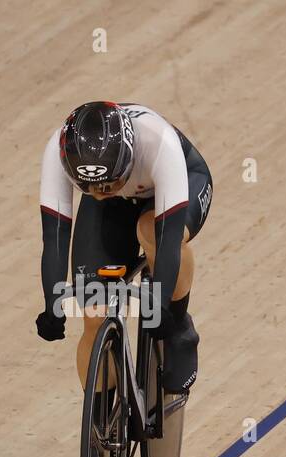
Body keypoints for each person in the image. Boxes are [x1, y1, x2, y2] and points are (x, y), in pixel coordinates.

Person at [36, 101, 212, 394]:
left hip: (178, 184)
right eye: (88, 188)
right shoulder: (58, 151)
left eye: (108, 184)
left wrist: (164, 306)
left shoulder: (159, 143)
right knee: (94, 313)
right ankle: (101, 426)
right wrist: (51, 307)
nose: (99, 194)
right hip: (121, 199)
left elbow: (168, 239)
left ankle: (182, 329)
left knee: (150, 231)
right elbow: (55, 237)